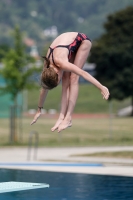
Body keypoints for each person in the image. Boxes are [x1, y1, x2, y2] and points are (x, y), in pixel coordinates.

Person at [31, 32, 110, 132]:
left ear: (56, 72)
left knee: (73, 78)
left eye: (57, 80)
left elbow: (83, 73)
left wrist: (101, 87)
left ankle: (68, 118)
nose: (59, 79)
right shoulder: (47, 66)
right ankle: (61, 117)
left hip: (82, 41)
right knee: (65, 80)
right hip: (69, 46)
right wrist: (39, 109)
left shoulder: (61, 63)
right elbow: (44, 88)